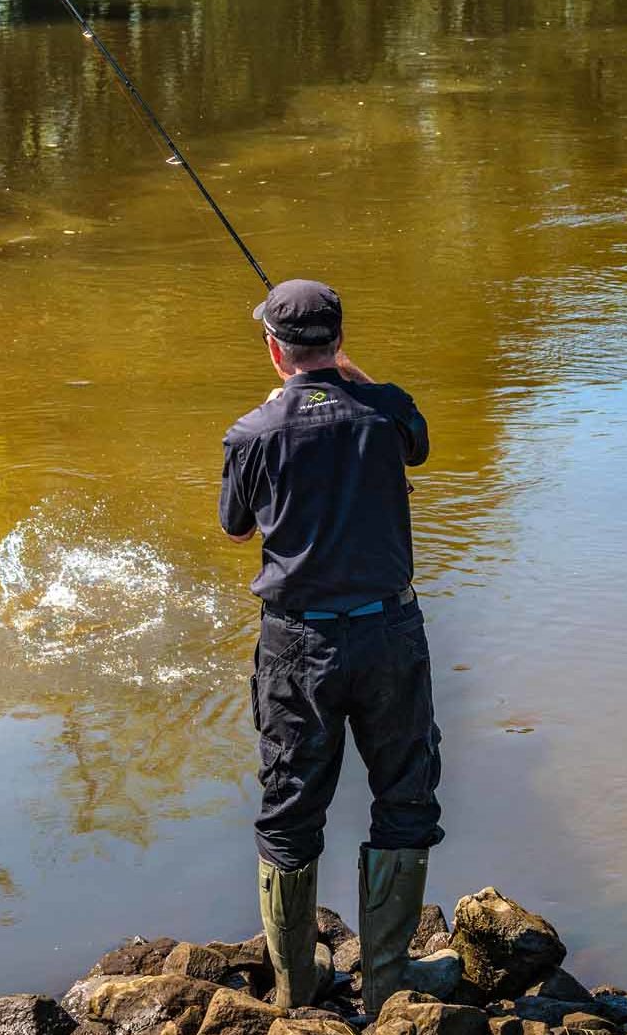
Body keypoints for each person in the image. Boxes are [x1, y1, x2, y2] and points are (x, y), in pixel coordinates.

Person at [219, 278, 444, 1012]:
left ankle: (296, 990)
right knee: (405, 797)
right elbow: (417, 440)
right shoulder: (385, 411)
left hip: (297, 645)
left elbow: (237, 528)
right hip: (389, 634)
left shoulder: (252, 433)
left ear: (274, 349)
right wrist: (351, 375)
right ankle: (386, 984)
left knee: (289, 810)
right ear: (338, 342)